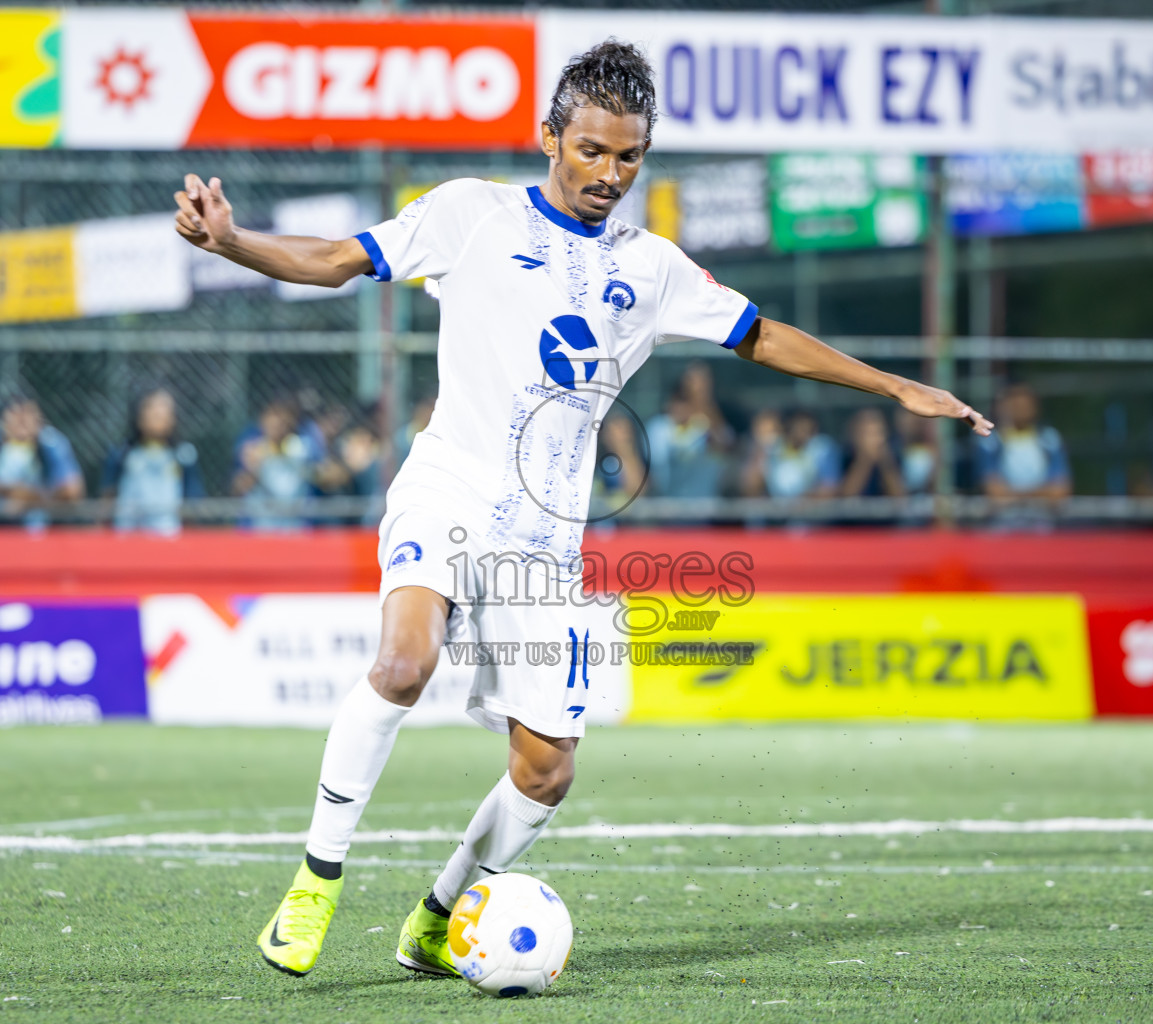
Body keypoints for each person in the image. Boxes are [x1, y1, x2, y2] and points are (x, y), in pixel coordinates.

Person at [174, 40, 990, 980]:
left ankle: (437, 919)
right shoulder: (469, 214)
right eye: (593, 150)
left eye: (630, 156)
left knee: (547, 768)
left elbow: (758, 334)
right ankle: (316, 881)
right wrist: (232, 242)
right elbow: (333, 260)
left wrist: (894, 388)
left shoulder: (654, 268)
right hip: (450, 485)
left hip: (545, 541)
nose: (611, 173)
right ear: (551, 138)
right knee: (403, 661)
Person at [100, 388, 204, 535]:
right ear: (139, 415)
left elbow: (192, 504)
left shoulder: (184, 456)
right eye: (151, 407)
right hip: (127, 538)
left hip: (169, 538)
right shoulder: (121, 455)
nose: (157, 413)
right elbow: (108, 499)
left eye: (164, 408)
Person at [0, 395, 84, 530]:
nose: (22, 420)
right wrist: (13, 491)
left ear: (39, 419)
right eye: (15, 413)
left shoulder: (51, 443)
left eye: (28, 413)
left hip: (41, 527)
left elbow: (72, 491)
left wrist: (31, 501)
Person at [976, 382, 1070, 526]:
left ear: (1034, 407)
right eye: (1015, 404)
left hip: (1043, 524)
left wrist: (1014, 496)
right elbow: (994, 492)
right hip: (1002, 524)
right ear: (1003, 406)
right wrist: (1039, 495)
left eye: (1024, 405)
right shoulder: (990, 441)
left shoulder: (1049, 439)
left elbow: (1059, 491)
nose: (1020, 409)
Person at [645, 363, 735, 500]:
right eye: (683, 397)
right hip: (666, 510)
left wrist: (703, 399)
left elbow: (727, 448)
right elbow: (658, 472)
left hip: (706, 511)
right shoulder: (658, 428)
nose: (685, 406)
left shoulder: (706, 424)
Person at [231, 394, 315, 530]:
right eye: (273, 416)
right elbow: (237, 489)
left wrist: (312, 471)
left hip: (295, 529)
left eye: (284, 417)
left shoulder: (304, 447)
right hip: (261, 528)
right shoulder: (252, 447)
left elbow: (329, 473)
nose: (277, 423)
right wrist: (252, 470)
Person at [741, 408, 841, 501]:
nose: (804, 434)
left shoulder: (823, 448)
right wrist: (761, 445)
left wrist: (796, 503)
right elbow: (750, 490)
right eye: (801, 428)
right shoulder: (773, 449)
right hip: (778, 516)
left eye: (809, 429)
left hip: (812, 517)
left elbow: (829, 491)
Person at [840, 408, 906, 499]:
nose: (875, 440)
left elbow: (900, 496)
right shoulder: (846, 456)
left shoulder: (894, 456)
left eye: (878, 433)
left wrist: (885, 462)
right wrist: (864, 461)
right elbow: (846, 495)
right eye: (868, 434)